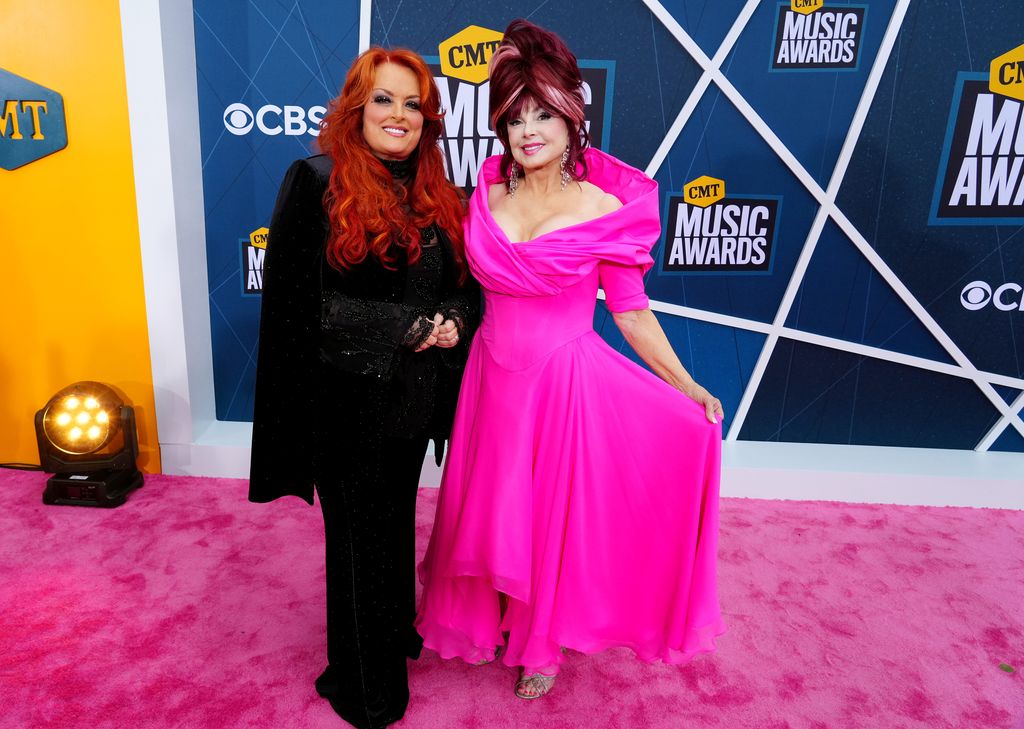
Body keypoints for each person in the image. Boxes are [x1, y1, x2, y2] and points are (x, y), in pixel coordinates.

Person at [415, 19, 726, 700]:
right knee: (489, 507)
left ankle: (542, 643)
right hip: (489, 379)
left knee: (549, 519)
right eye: (515, 116)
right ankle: (493, 614)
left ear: (571, 118)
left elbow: (632, 311)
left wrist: (686, 382)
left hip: (563, 384)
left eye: (544, 114)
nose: (529, 130)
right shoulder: (487, 192)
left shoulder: (606, 208)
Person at [248, 47, 478, 728]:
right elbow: (300, 308)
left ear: (428, 118)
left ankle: (386, 638)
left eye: (412, 103)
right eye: (384, 99)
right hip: (343, 404)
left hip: (412, 404)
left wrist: (453, 323)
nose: (398, 114)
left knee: (390, 532)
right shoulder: (315, 180)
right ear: (356, 107)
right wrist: (411, 324)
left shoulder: (439, 192)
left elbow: (466, 289)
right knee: (356, 542)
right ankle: (364, 687)